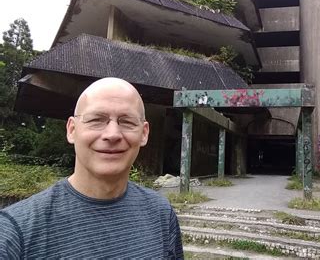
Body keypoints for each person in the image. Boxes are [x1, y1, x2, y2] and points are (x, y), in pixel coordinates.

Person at [0, 77, 184, 259]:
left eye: (127, 122)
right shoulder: (15, 234)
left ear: (144, 134)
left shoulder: (161, 215)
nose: (112, 134)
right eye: (96, 119)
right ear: (72, 130)